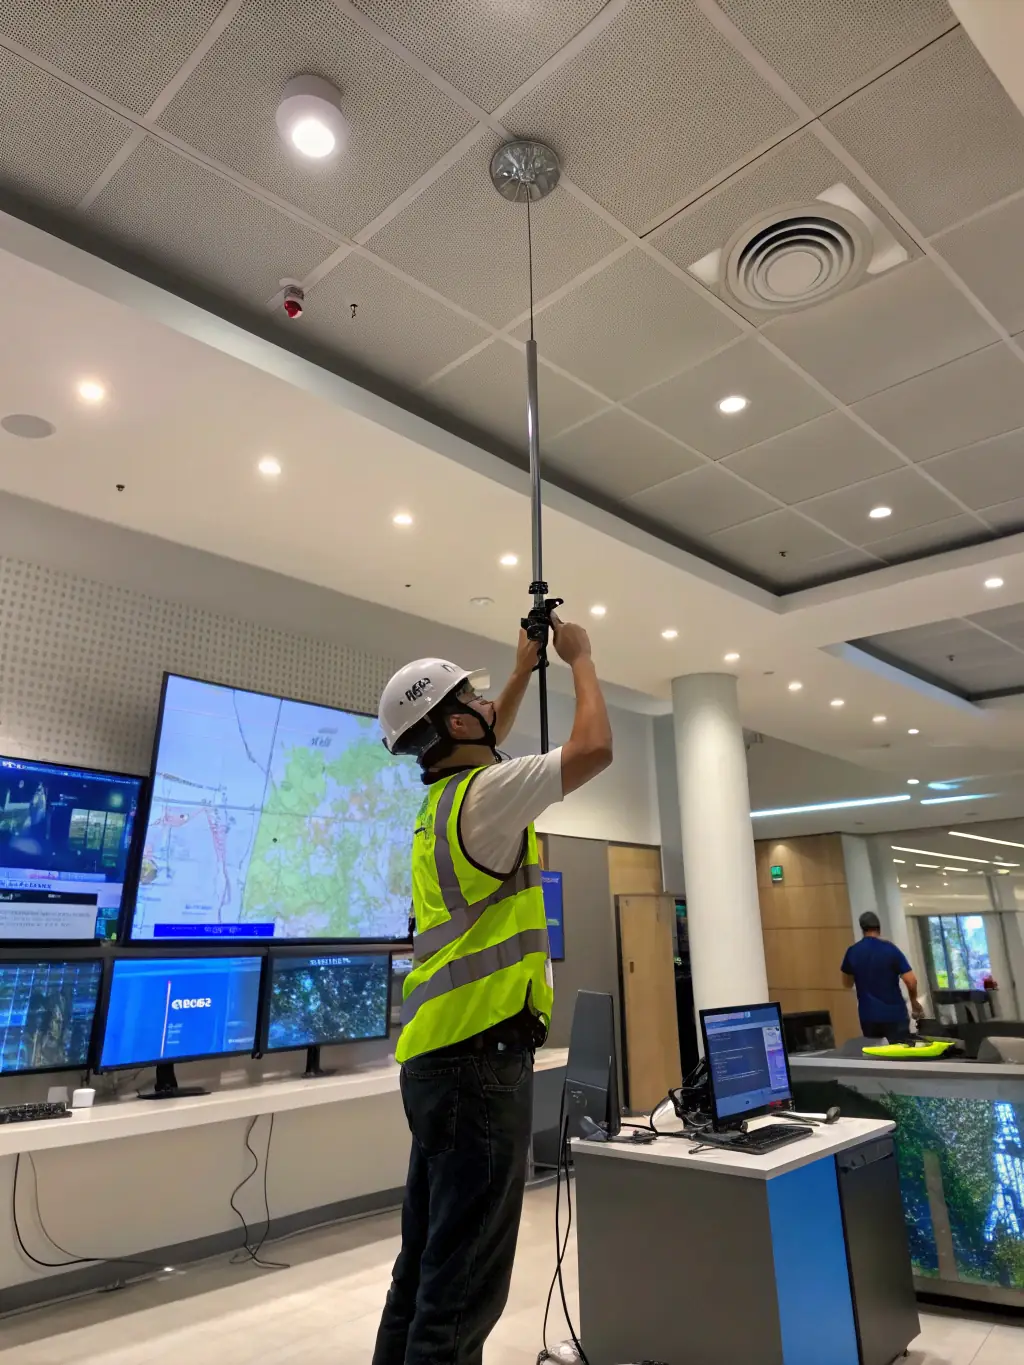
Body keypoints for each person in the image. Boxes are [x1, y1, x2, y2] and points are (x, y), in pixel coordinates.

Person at [372, 617, 612, 1365]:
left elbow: (487, 728)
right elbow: (594, 749)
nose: (486, 704)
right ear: (451, 720)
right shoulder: (491, 793)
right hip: (480, 1068)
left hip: (438, 1066)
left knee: (423, 1275)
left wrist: (517, 670)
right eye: (471, 696)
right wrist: (579, 659)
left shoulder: (443, 802)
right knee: (460, 1294)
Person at [841, 911, 923, 1042]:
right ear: (879, 928)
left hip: (868, 1016)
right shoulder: (890, 949)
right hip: (895, 1016)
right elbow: (911, 980)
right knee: (900, 1056)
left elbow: (846, 983)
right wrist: (914, 1002)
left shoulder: (852, 951)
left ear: (862, 929)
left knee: (877, 1058)